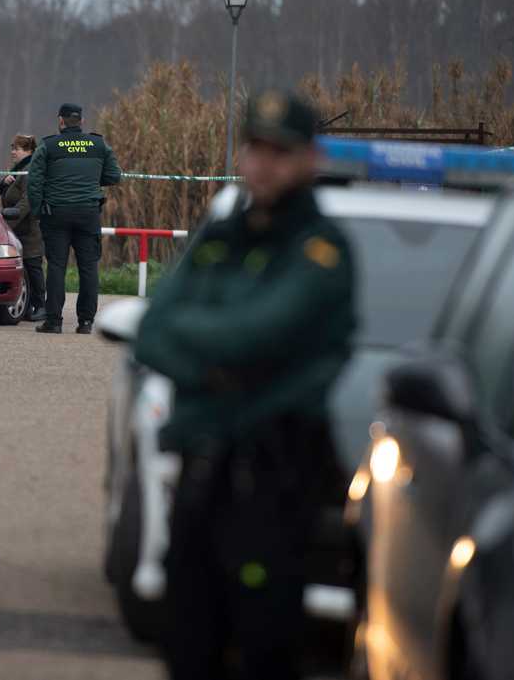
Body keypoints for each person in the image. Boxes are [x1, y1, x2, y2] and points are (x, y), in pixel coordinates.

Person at [132, 90, 357, 680]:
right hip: (205, 471)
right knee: (188, 643)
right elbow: (154, 331)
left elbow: (258, 334)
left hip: (275, 478)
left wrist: (203, 348)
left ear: (309, 159)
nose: (263, 163)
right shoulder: (221, 237)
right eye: (255, 148)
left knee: (263, 647)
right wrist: (226, 360)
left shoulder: (322, 251)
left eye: (280, 152)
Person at [28, 102, 122, 334]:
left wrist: (38, 210)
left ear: (60, 121)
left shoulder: (48, 145)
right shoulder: (98, 144)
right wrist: (89, 181)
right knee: (89, 267)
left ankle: (54, 321)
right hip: (88, 213)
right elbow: (114, 176)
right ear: (82, 121)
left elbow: (34, 181)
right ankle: (86, 322)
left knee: (57, 266)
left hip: (56, 213)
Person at [0, 134, 46, 322]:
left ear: (29, 151)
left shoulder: (30, 170)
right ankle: (27, 307)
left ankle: (41, 305)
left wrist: (6, 227)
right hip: (17, 228)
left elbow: (27, 202)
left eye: (17, 148)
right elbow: (0, 188)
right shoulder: (18, 170)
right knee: (23, 269)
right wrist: (3, 183)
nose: (13, 152)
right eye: (12, 148)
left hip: (29, 229)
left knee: (33, 268)